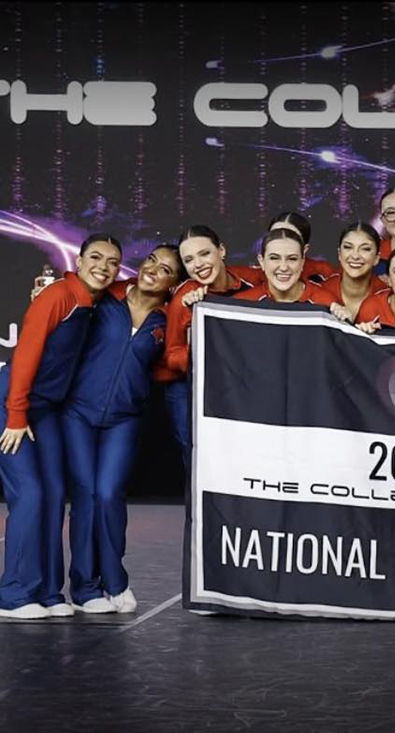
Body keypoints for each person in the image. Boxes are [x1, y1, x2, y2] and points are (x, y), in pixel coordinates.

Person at [0, 234, 121, 619]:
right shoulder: (58, 296)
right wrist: (15, 416)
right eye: (96, 258)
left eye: (113, 262)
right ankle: (13, 595)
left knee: (54, 494)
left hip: (46, 409)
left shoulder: (95, 301)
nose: (103, 267)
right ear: (79, 261)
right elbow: (26, 354)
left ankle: (49, 593)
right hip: (12, 404)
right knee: (30, 494)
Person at [61, 245, 182, 616]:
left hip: (125, 418)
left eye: (165, 269)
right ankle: (84, 588)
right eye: (151, 261)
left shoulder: (168, 319)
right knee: (85, 496)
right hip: (78, 413)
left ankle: (114, 580)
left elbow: (169, 363)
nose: (153, 270)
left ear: (173, 283)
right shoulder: (107, 296)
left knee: (109, 493)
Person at [162, 225, 264, 466]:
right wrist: (208, 353)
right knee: (198, 457)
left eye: (204, 253)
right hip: (189, 387)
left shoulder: (251, 284)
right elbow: (172, 355)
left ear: (222, 251)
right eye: (189, 260)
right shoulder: (184, 299)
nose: (198, 264)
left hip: (237, 386)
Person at [234, 228, 347, 317]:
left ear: (302, 262)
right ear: (262, 262)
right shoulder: (242, 304)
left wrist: (345, 319)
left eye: (292, 259)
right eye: (274, 258)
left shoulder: (325, 303)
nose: (283, 267)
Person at [324, 222, 390, 321]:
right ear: (339, 254)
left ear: (377, 258)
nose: (355, 256)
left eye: (365, 249)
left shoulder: (388, 297)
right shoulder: (322, 290)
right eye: (348, 247)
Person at [267, 211, 337, 284]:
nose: (282, 241)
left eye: (292, 237)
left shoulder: (322, 273)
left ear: (304, 249)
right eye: (275, 235)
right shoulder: (258, 276)